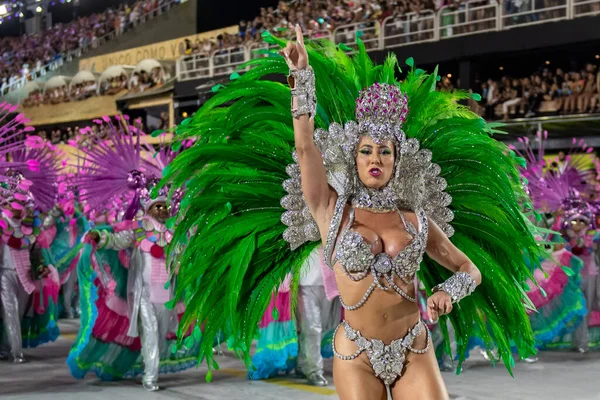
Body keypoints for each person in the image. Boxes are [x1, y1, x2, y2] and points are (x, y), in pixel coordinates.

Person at [160, 27, 544, 399]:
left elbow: (469, 269)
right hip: (356, 351)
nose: (375, 158)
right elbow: (306, 147)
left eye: (384, 151)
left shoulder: (416, 220)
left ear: (397, 160)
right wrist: (300, 77)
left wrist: (448, 290)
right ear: (354, 158)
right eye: (366, 151)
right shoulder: (331, 210)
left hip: (414, 346)